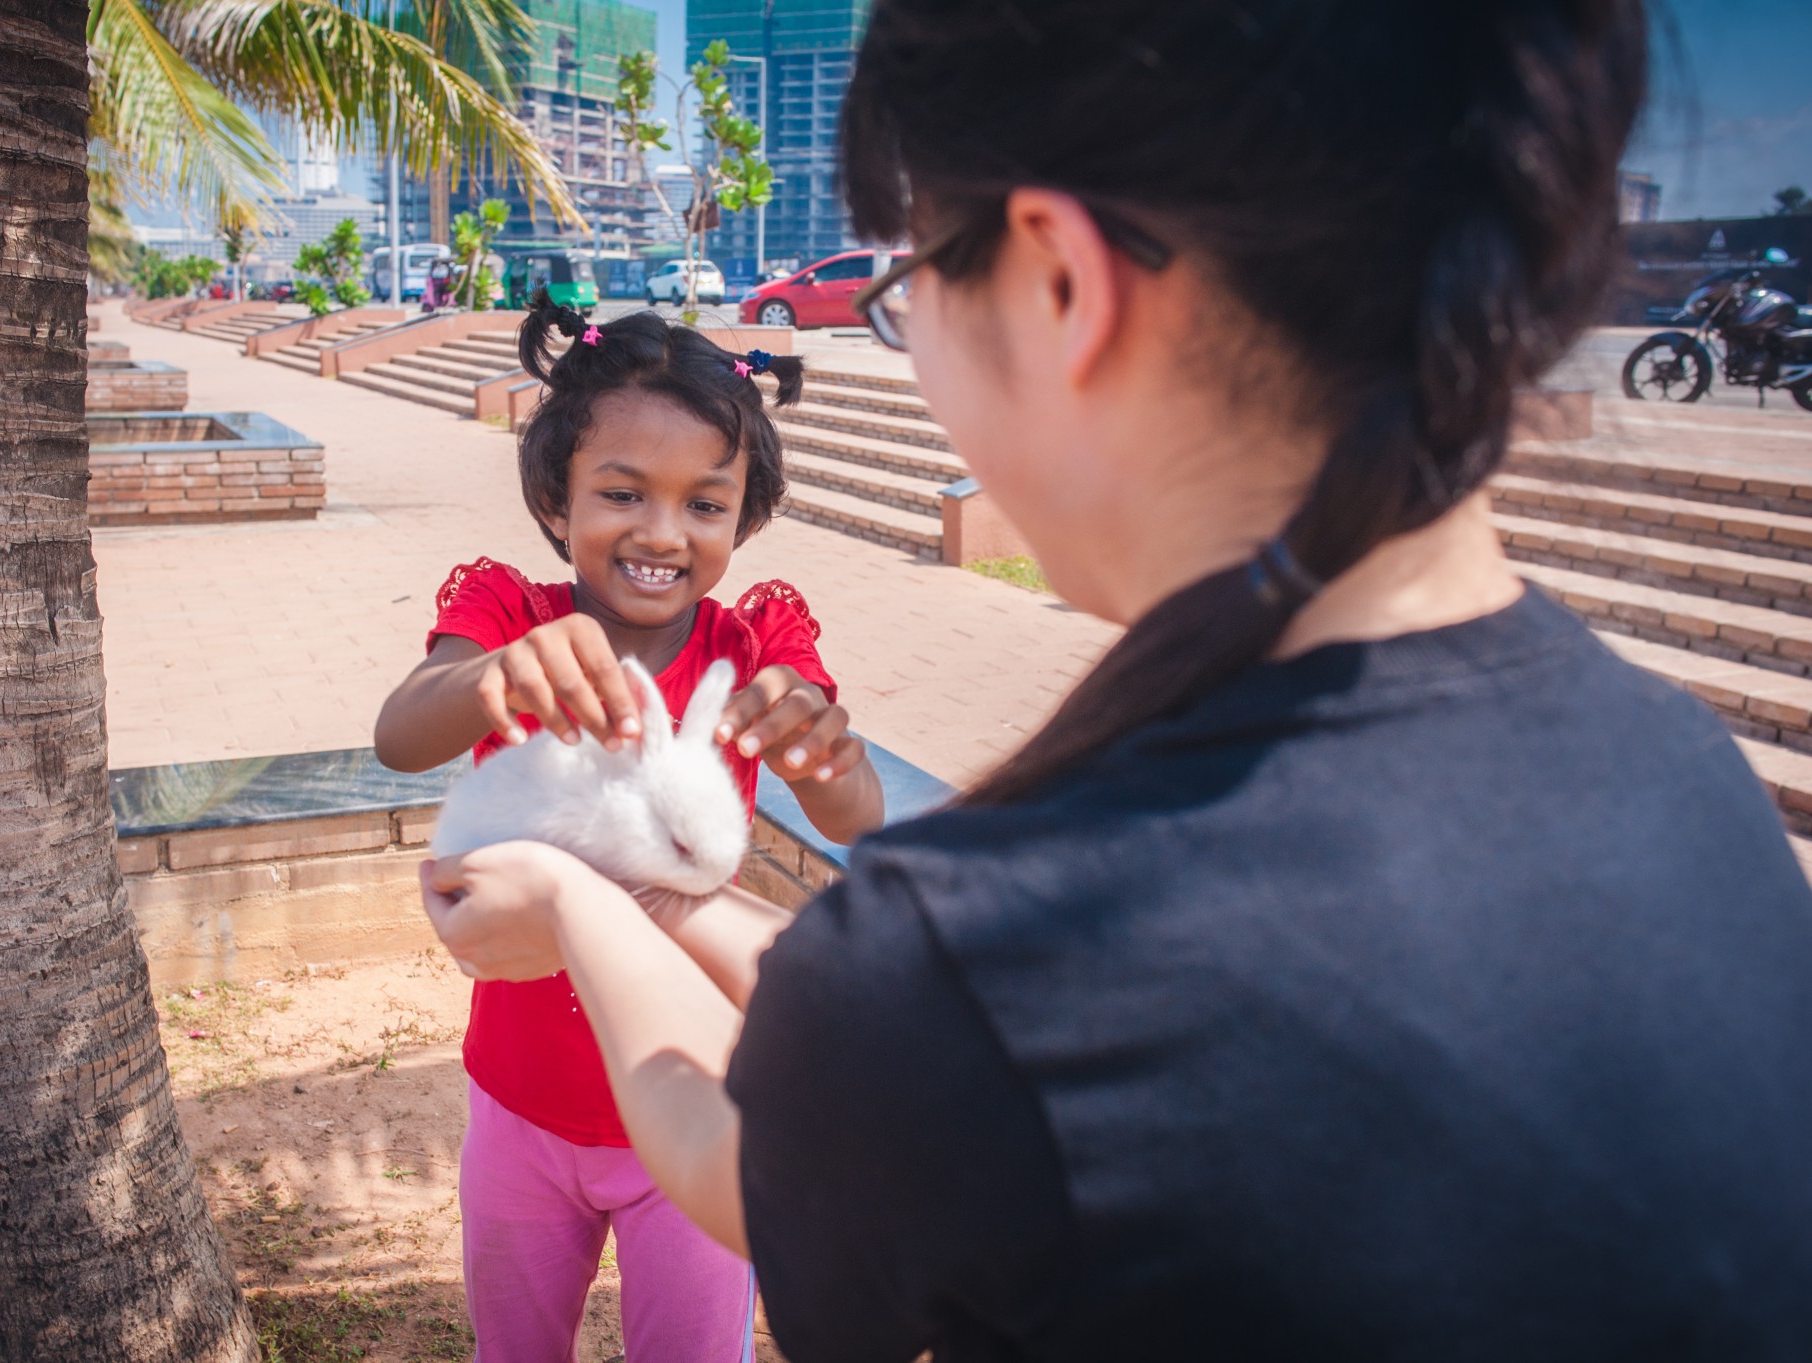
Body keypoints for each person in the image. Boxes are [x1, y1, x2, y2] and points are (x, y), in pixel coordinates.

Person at [421, 1, 1812, 1358]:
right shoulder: (1692, 779)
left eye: (911, 292)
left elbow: (774, 1157)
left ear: (1059, 282)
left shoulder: (1012, 941)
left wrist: (569, 895)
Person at [375, 290, 885, 1362]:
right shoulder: (511, 619)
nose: (661, 532)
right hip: (517, 1108)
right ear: (556, 501)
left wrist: (822, 747)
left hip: (699, 1101)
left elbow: (857, 811)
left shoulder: (757, 647)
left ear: (742, 519)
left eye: (705, 504)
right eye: (621, 492)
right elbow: (401, 735)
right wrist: (494, 678)